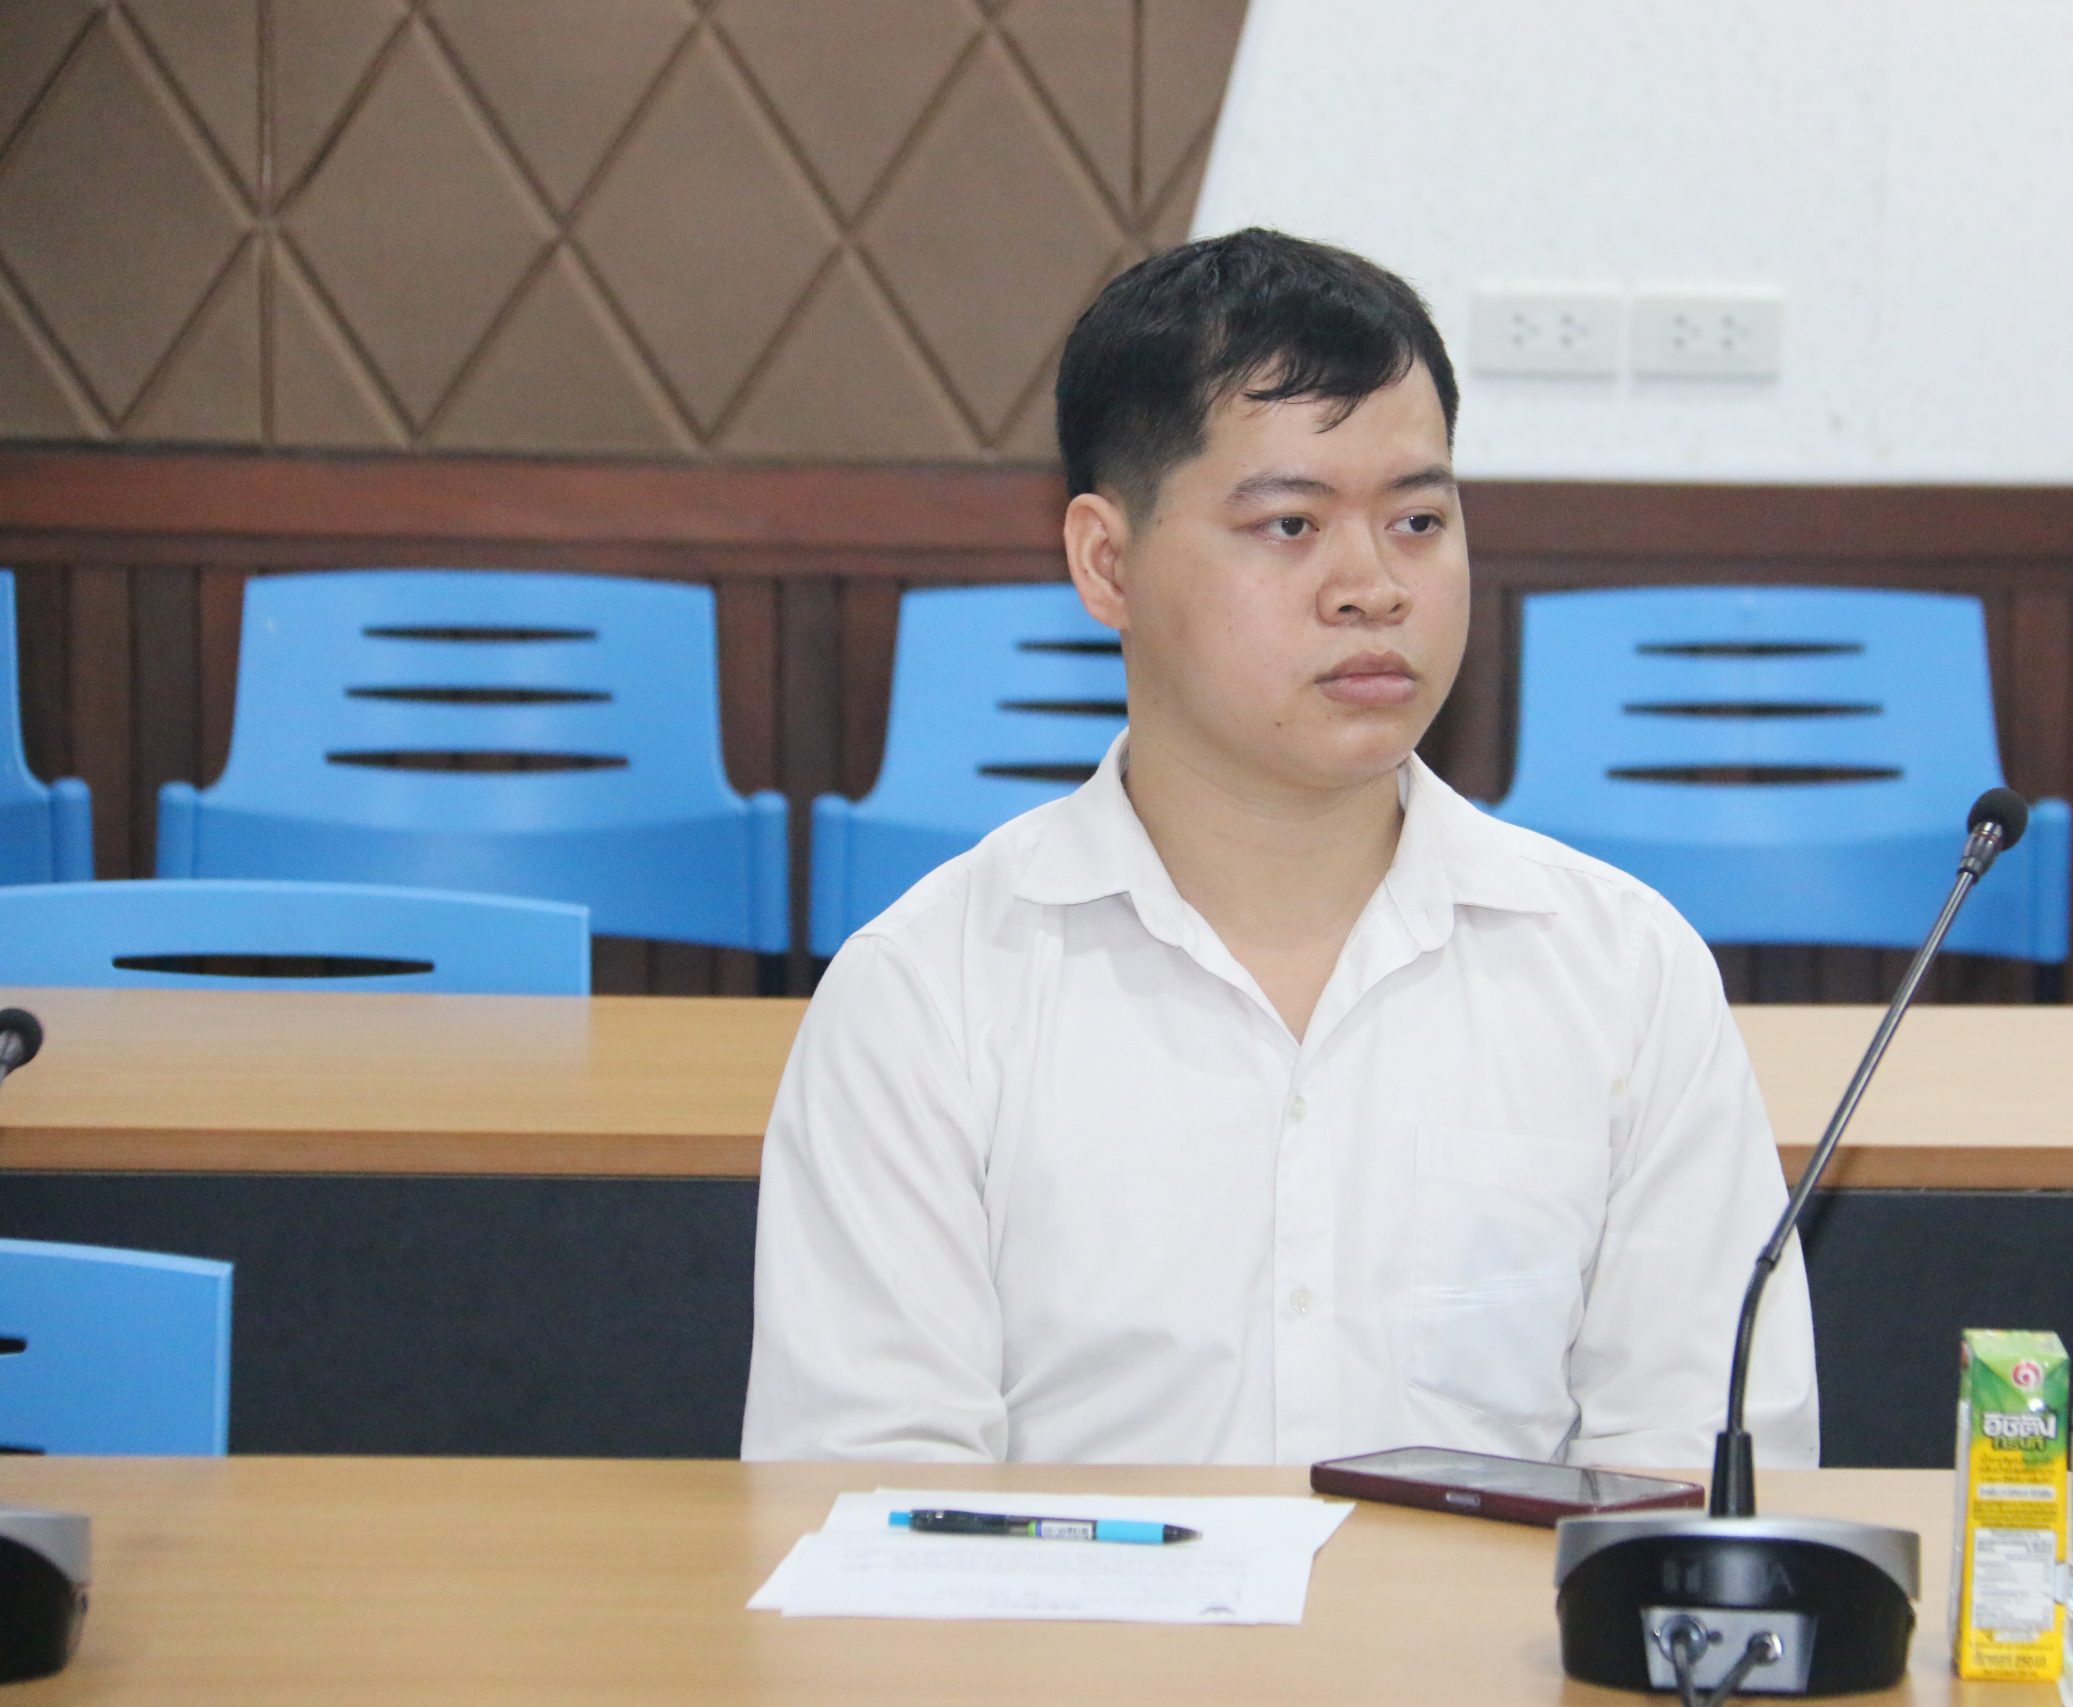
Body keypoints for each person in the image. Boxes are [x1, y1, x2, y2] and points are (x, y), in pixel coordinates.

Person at [742, 228, 1816, 1467]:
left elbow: (1699, 1462)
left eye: (1418, 519)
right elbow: (865, 1491)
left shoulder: (1623, 973)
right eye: (1292, 524)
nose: (1374, 587)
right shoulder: (927, 992)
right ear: (1107, 562)